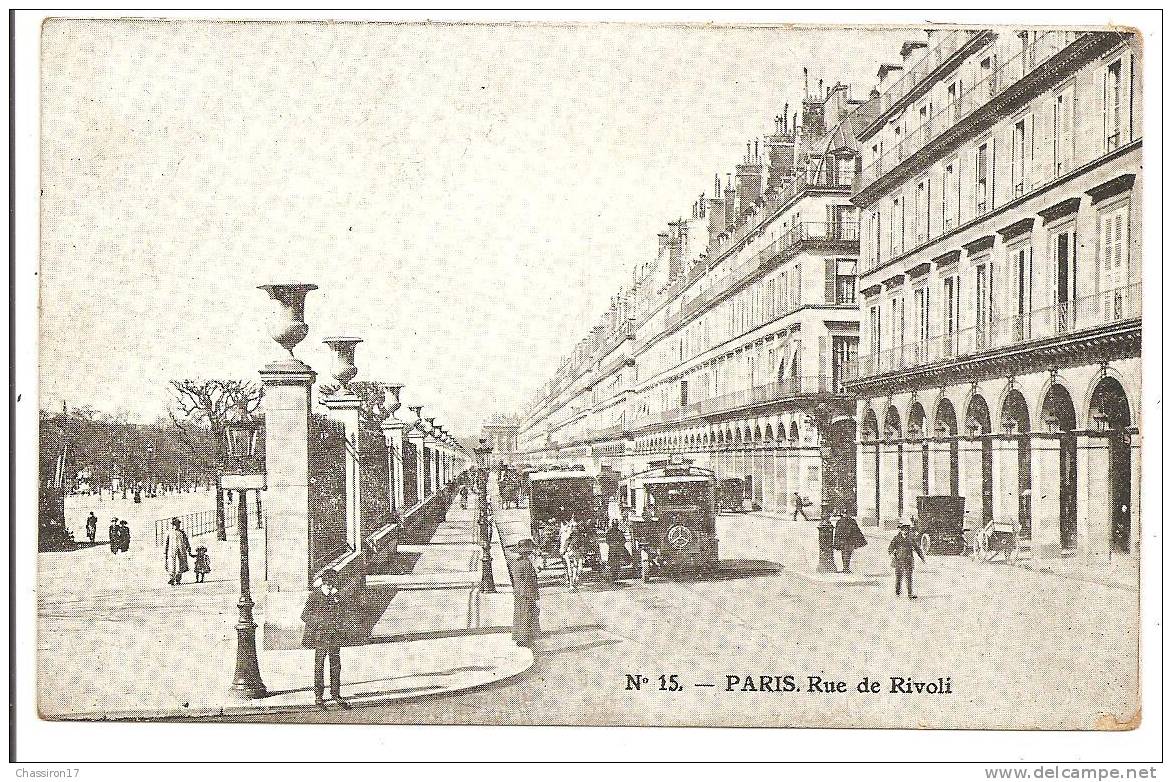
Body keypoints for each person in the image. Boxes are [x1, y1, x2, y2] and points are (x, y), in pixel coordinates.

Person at [300, 568, 350, 709]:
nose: (330, 586)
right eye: (328, 584)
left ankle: (335, 693)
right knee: (319, 665)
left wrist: (339, 606)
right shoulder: (315, 595)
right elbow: (304, 615)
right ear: (323, 582)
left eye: (332, 584)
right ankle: (318, 696)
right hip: (320, 636)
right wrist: (320, 622)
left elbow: (343, 613)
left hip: (334, 635)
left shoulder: (337, 595)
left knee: (335, 665)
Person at [505, 539, 541, 648]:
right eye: (530, 552)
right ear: (527, 553)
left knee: (520, 614)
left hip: (519, 593)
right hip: (526, 593)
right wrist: (533, 595)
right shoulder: (526, 564)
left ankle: (521, 638)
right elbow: (529, 581)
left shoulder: (517, 562)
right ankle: (525, 639)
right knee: (527, 615)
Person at [888, 521, 926, 599]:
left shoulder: (911, 539)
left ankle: (910, 594)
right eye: (903, 529)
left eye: (906, 529)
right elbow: (890, 548)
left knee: (909, 578)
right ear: (900, 530)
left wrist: (922, 557)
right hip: (899, 560)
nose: (905, 531)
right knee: (899, 578)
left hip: (908, 561)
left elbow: (917, 549)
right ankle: (897, 592)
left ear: (908, 530)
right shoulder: (896, 538)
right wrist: (891, 554)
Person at [163, 518, 191, 586]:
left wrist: (188, 547)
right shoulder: (170, 532)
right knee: (172, 564)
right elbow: (167, 542)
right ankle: (172, 578)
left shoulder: (182, 532)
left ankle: (178, 578)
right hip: (172, 550)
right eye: (175, 524)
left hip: (181, 549)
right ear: (173, 525)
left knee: (180, 563)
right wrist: (165, 551)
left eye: (178, 524)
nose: (177, 526)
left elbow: (186, 540)